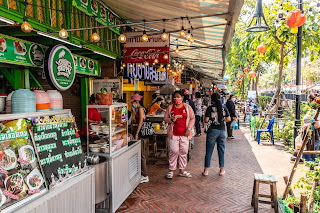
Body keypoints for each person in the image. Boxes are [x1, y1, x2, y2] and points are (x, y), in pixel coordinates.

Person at [164, 90, 195, 179]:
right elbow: (165, 118)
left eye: (178, 97)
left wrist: (189, 129)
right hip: (173, 134)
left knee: (184, 152)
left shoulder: (187, 107)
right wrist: (171, 120)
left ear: (182, 98)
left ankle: (182, 170)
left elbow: (193, 118)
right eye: (175, 97)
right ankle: (171, 170)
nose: (176, 99)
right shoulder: (170, 108)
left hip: (184, 134)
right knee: (174, 151)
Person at [203, 93, 231, 176]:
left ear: (212, 100)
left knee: (209, 151)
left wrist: (214, 120)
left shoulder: (210, 108)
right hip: (222, 131)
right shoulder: (224, 108)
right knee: (221, 151)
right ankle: (222, 170)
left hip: (212, 131)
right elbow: (228, 119)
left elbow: (207, 120)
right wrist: (221, 120)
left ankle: (206, 171)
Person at [128, 94, 149, 183]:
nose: (132, 104)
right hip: (140, 133)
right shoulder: (139, 109)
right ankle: (142, 173)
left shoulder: (140, 109)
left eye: (133, 102)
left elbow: (140, 121)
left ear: (136, 102)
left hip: (141, 133)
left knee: (141, 155)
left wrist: (137, 133)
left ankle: (145, 175)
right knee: (141, 154)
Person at [302, 93, 320, 167]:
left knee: (309, 155)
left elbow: (317, 125)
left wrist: (307, 126)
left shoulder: (317, 112)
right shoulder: (313, 111)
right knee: (310, 154)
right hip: (309, 136)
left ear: (310, 101)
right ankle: (313, 173)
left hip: (314, 136)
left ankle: (314, 172)